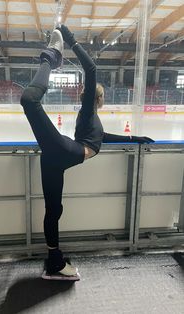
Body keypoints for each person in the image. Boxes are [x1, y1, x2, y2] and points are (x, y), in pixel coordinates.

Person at [20, 25, 154, 279]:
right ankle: (51, 56)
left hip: (57, 159)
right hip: (65, 152)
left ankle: (54, 262)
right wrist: (70, 40)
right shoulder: (89, 109)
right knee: (29, 100)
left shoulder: (89, 121)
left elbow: (103, 138)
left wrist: (135, 138)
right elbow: (91, 69)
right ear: (98, 99)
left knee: (54, 210)